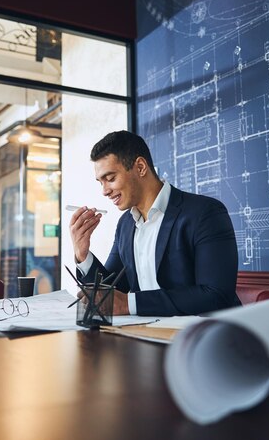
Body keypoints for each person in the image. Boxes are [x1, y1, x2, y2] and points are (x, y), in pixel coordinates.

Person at [69, 130, 240, 316]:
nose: (104, 191)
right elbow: (111, 289)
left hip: (204, 336)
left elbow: (216, 295)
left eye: (110, 179)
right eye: (100, 182)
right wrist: (82, 254)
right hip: (146, 335)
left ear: (141, 167)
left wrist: (129, 304)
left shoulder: (205, 213)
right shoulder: (125, 224)